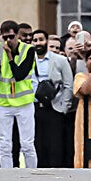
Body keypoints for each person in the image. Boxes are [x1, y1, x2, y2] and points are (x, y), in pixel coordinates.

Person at [0, 20, 37, 168]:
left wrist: (10, 57)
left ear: (18, 35)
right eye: (4, 37)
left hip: (23, 103)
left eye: (11, 37)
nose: (8, 41)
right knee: (4, 145)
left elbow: (19, 74)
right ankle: (7, 175)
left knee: (27, 144)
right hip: (3, 102)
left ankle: (32, 173)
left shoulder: (29, 50)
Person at [30, 30, 74, 168]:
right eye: (35, 40)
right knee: (38, 143)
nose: (38, 43)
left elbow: (68, 85)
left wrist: (64, 107)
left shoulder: (60, 60)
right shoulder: (27, 60)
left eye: (41, 39)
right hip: (34, 107)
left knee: (55, 145)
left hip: (55, 106)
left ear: (46, 41)